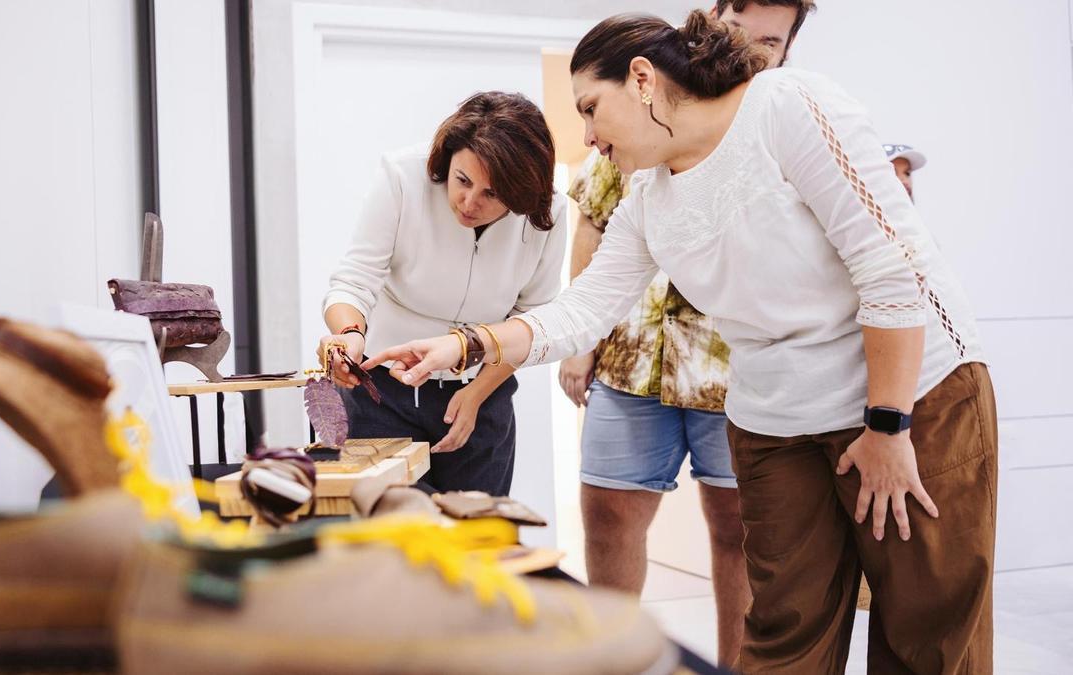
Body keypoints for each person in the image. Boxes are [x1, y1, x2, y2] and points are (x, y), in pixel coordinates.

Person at [365, 12, 995, 674]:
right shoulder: (647, 200)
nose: (587, 135)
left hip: (910, 397)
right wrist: (465, 347)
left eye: (590, 108)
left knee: (924, 628)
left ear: (641, 79)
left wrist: (890, 424)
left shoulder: (785, 105)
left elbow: (888, 266)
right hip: (778, 422)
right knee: (784, 633)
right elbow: (583, 309)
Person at [559, 1, 814, 666]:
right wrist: (579, 345)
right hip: (630, 358)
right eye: (741, 31)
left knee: (737, 528)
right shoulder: (630, 122)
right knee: (609, 512)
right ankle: (610, 659)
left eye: (771, 41)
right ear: (707, 24)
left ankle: (734, 665)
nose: (753, 50)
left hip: (736, 373)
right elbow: (591, 239)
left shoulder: (781, 127)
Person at [319, 91, 566, 496]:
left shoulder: (550, 213)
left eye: (493, 194)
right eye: (462, 181)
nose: (469, 203)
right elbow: (354, 280)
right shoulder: (402, 177)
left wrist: (476, 395)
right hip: (383, 391)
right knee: (387, 539)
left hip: (483, 388)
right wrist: (348, 336)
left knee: (478, 539)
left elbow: (533, 320)